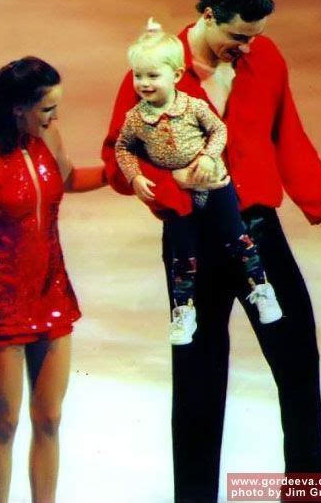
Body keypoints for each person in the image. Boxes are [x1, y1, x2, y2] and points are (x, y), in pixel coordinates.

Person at [102, 0, 321, 502]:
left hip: (258, 231)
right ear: (209, 15)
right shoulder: (153, 70)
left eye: (256, 37)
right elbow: (115, 157)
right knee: (197, 377)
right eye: (238, 37)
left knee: (298, 365)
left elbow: (290, 139)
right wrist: (171, 183)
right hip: (192, 237)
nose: (247, 48)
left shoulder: (264, 59)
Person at [0, 56, 106, 503]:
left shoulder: (47, 138)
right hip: (2, 299)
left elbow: (69, 178)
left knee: (49, 417)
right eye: (47, 109)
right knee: (6, 421)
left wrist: (122, 172)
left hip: (51, 292)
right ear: (18, 108)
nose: (55, 117)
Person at [115, 18, 282, 346]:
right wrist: (136, 176)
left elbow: (220, 130)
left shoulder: (193, 106)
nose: (144, 83)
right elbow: (122, 148)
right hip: (179, 197)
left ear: (176, 75)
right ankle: (183, 310)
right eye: (138, 75)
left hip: (216, 186)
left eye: (152, 75)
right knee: (184, 254)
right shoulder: (136, 117)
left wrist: (207, 157)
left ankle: (261, 288)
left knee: (238, 238)